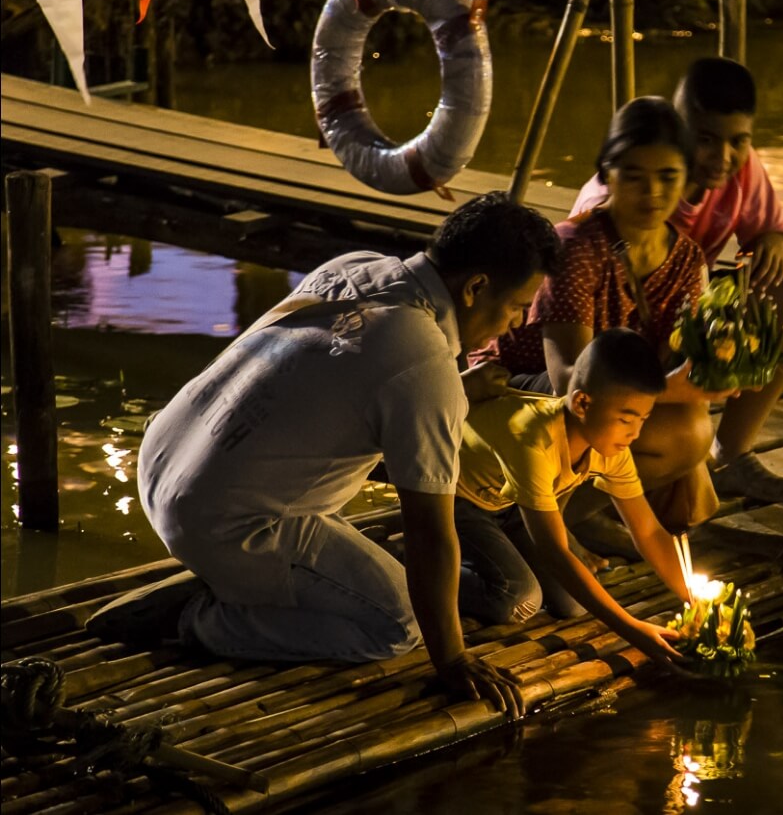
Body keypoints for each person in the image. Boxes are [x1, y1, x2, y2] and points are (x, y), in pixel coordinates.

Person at [87, 193, 563, 719]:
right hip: (226, 520)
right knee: (394, 625)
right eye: (518, 306)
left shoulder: (357, 267)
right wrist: (451, 660)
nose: (516, 324)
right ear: (475, 288)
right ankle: (199, 617)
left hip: (162, 461)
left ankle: (231, 574)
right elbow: (430, 531)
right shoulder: (424, 365)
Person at [472, 96, 731, 538]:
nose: (652, 194)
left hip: (608, 394)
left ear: (687, 179)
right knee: (681, 430)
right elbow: (568, 381)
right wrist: (673, 390)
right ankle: (531, 529)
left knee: (689, 438)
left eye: (668, 177)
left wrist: (720, 365)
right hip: (517, 385)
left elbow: (675, 360)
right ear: (606, 175)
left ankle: (575, 518)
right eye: (634, 176)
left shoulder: (686, 257)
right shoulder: (578, 245)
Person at [571, 58, 783, 504]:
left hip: (678, 312)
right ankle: (589, 494)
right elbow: (572, 371)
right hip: (613, 340)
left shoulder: (728, 182)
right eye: (705, 140)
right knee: (686, 446)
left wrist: (770, 246)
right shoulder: (603, 217)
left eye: (737, 143)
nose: (723, 158)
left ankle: (731, 455)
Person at [454, 328, 690, 669]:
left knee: (572, 604)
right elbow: (555, 551)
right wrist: (632, 629)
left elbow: (649, 531)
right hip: (456, 499)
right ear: (582, 402)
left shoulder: (612, 446)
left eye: (643, 419)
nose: (635, 433)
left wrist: (695, 601)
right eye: (626, 419)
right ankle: (417, 561)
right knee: (518, 599)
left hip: (508, 507)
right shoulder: (532, 439)